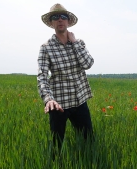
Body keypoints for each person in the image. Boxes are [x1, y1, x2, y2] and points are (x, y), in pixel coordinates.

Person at [37, 3, 94, 155]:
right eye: (55, 17)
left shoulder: (79, 43)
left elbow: (88, 64)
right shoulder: (46, 47)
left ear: (68, 21)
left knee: (88, 141)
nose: (60, 19)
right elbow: (42, 76)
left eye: (64, 16)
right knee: (57, 147)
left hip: (80, 101)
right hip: (58, 105)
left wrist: (74, 43)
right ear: (51, 22)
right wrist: (48, 99)